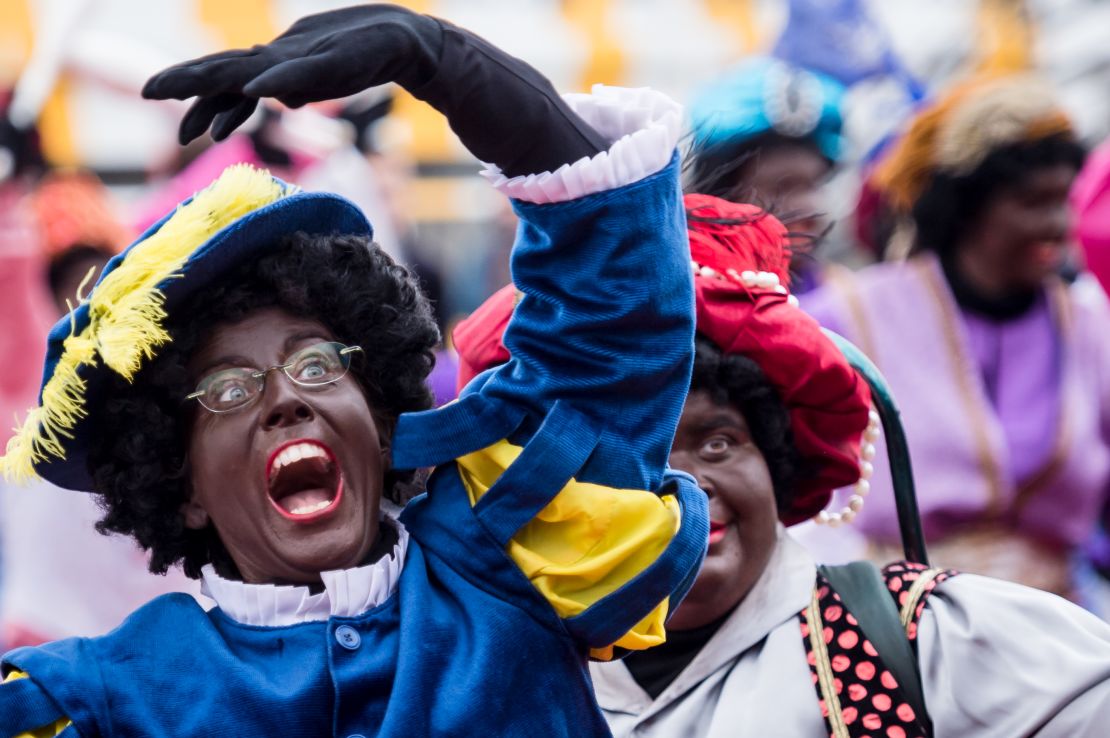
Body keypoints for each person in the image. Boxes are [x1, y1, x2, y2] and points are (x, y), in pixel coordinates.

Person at [0, 6, 707, 736]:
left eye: (314, 364)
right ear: (184, 489)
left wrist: (447, 63)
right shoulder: (107, 701)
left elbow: (614, 318)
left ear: (377, 421)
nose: (283, 401)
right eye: (229, 389)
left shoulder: (507, 562)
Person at [456, 193, 1110, 737]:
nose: (683, 484)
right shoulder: (493, 686)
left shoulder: (923, 640)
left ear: (775, 462)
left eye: (717, 442)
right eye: (624, 458)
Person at [801, 75, 1106, 601]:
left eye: (1065, 199)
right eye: (1034, 201)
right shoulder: (849, 316)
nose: (1059, 224)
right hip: (893, 635)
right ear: (967, 207)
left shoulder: (1089, 323)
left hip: (1059, 632)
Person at [0, 170, 197, 650]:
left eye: (98, 277)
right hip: (55, 655)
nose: (85, 300)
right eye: (67, 285)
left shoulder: (180, 380)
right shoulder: (27, 392)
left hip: (173, 660)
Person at [686, 57, 846, 294]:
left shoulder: (847, 298)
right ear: (720, 201)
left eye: (814, 185)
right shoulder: (687, 304)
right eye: (781, 187)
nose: (809, 206)